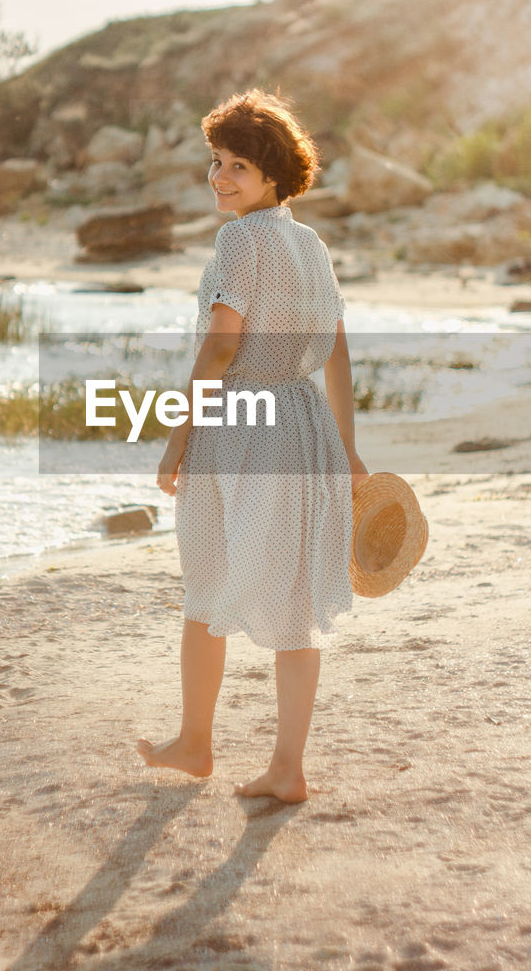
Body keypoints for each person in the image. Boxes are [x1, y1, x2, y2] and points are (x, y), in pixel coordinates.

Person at [137, 90, 368, 803]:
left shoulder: (239, 241)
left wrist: (177, 439)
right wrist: (348, 450)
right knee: (293, 602)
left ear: (273, 175)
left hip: (238, 424)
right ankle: (286, 768)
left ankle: (195, 743)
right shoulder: (310, 245)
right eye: (215, 162)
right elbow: (335, 353)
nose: (220, 177)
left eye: (238, 165)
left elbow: (219, 349)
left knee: (205, 585)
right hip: (303, 425)